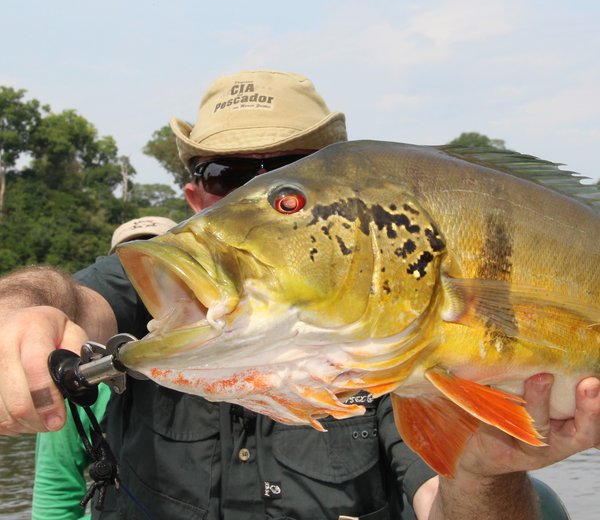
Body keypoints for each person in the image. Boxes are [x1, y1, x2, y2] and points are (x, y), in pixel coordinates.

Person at [1, 70, 598, 520]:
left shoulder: (390, 352)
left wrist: (485, 475)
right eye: (226, 176)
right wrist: (21, 313)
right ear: (194, 198)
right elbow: (74, 301)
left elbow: (444, 501)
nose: (254, 189)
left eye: (290, 177)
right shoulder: (171, 279)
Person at [31, 216, 177, 520]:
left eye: (157, 265)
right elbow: (55, 490)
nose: (143, 283)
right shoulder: (79, 376)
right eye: (130, 269)